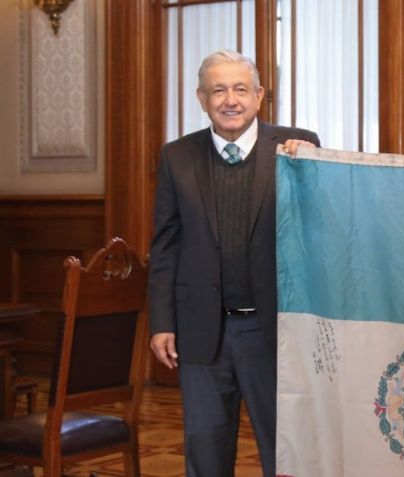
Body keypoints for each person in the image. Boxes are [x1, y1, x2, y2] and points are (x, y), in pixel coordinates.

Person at [147, 50, 319, 477]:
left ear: (259, 96)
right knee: (204, 452)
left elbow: (323, 228)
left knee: (284, 452)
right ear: (202, 99)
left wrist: (313, 166)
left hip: (275, 330)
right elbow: (166, 246)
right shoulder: (176, 157)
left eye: (240, 89)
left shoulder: (297, 147)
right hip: (201, 332)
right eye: (218, 90)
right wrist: (162, 322)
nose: (230, 100)